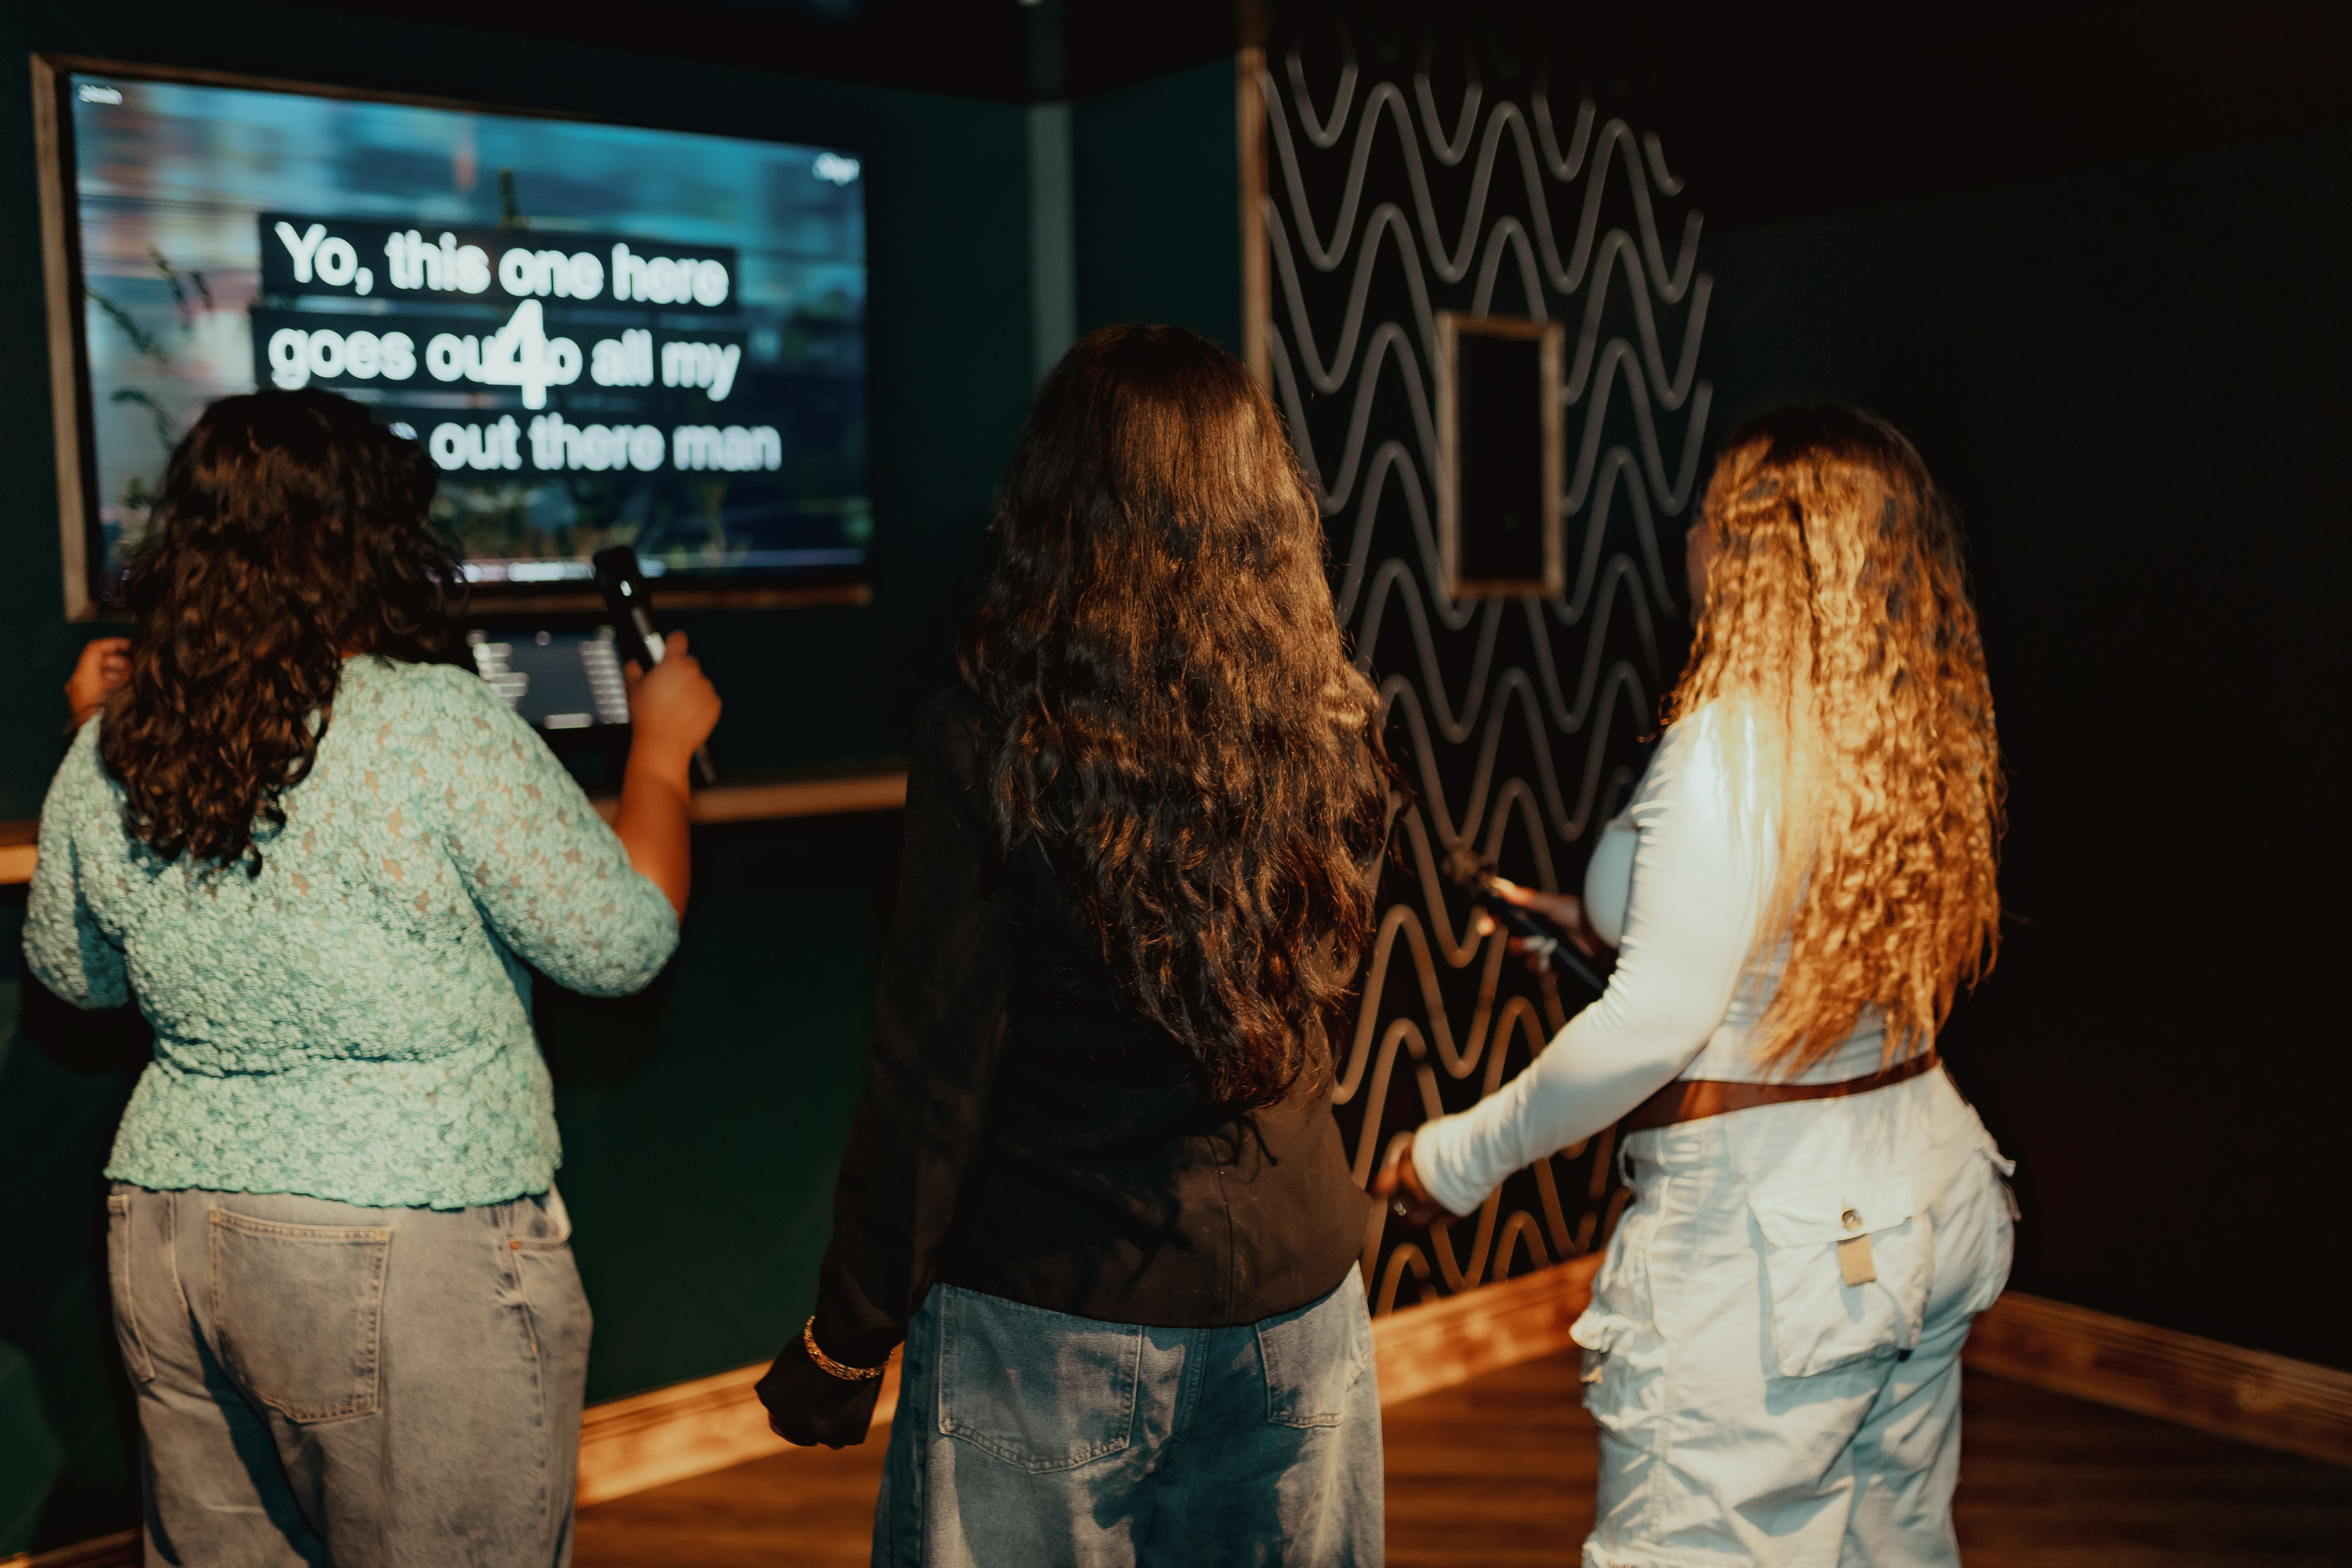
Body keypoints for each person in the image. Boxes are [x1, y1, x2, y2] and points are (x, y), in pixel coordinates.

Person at [23, 389, 720, 1568]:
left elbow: (73, 975)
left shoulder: (116, 739)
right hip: (407, 1237)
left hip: (174, 1236)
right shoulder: (430, 722)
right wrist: (657, 750)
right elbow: (622, 940)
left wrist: (89, 741)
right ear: (367, 542)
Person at [756, 325, 1393, 1568]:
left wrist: (847, 1339)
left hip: (1051, 1317)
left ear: (1056, 506)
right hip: (1300, 1303)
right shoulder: (1329, 731)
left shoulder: (989, 742)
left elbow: (932, 1087)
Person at [1376, 407, 2015, 1567]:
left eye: (1710, 516)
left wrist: (1456, 1158)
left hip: (1775, 1245)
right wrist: (1592, 922)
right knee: (1893, 1550)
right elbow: (1780, 942)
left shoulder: (1729, 746)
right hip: (1922, 1197)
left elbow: (1657, 1027)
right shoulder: (1906, 733)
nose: (1687, 535)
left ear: (1756, 556)